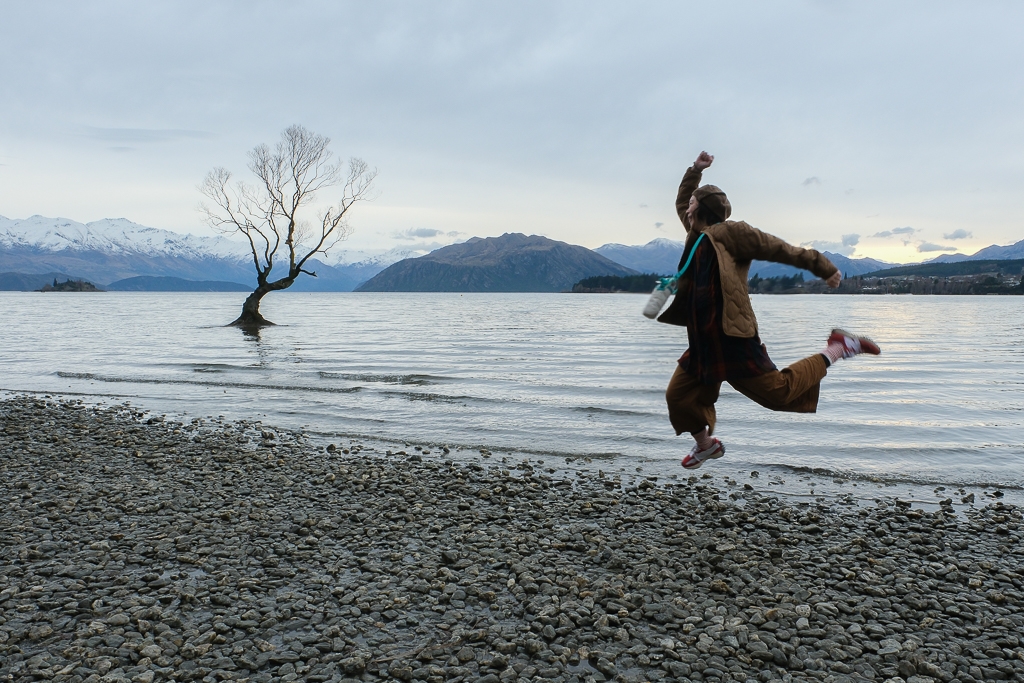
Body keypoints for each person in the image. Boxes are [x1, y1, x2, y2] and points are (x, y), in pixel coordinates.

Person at [658, 151, 880, 469]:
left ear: (702, 209)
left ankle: (838, 348)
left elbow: (779, 248)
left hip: (732, 338)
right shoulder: (696, 235)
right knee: (678, 396)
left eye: (692, 203)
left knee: (779, 394)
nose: (686, 206)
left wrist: (822, 266)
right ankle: (706, 446)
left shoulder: (732, 234)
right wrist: (695, 170)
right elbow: (682, 200)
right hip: (704, 343)